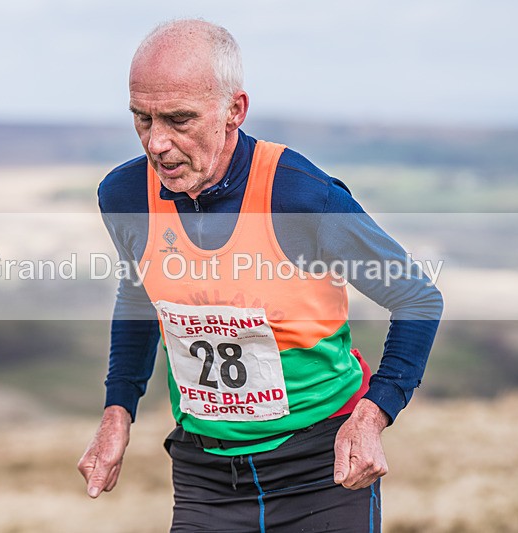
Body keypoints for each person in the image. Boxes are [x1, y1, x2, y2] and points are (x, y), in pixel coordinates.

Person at [79, 19, 443, 532]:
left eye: (179, 120)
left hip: (322, 469)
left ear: (234, 111)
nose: (157, 143)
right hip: (205, 475)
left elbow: (417, 298)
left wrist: (373, 414)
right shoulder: (125, 196)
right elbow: (140, 298)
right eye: (143, 119)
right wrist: (118, 410)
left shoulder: (300, 197)